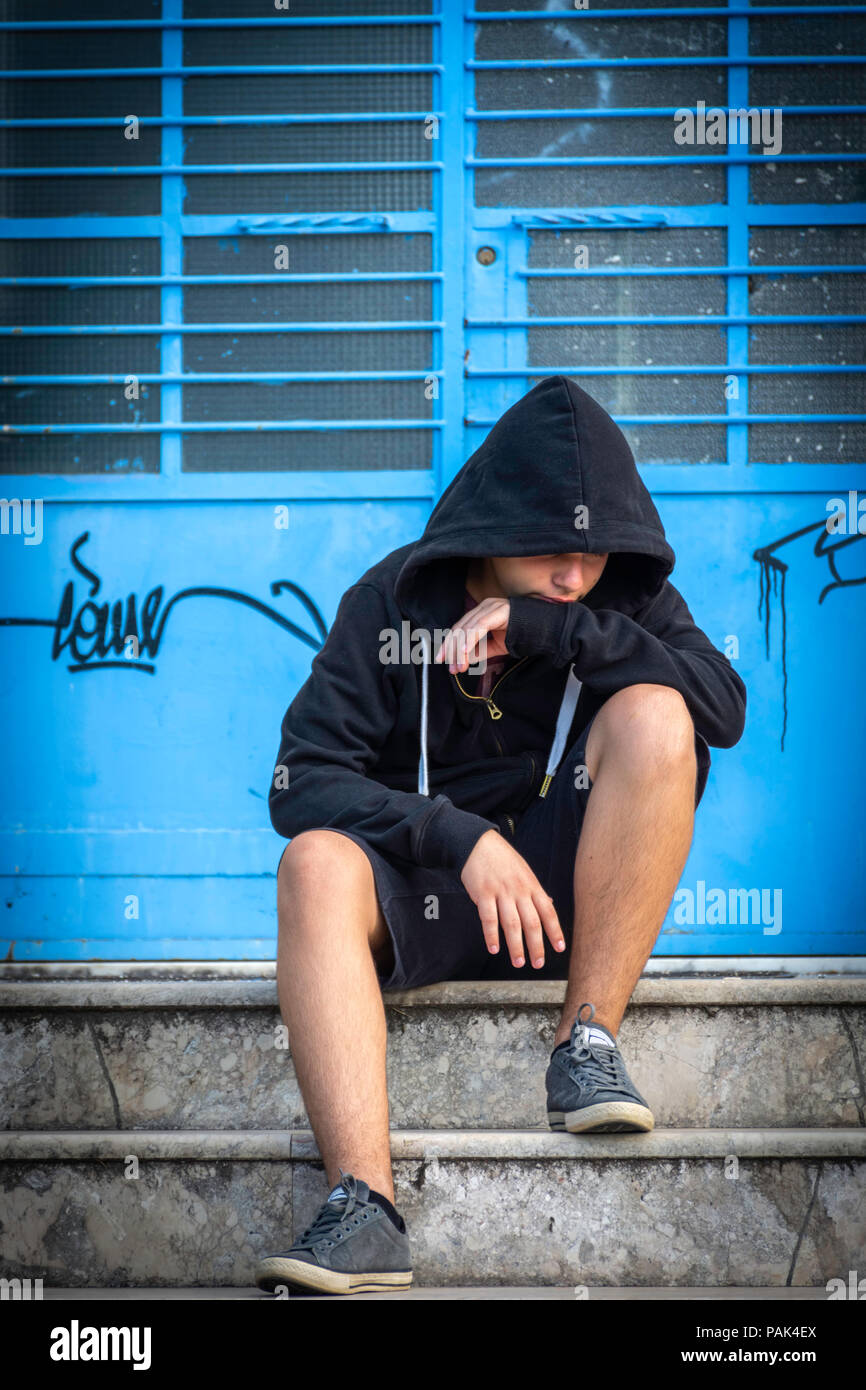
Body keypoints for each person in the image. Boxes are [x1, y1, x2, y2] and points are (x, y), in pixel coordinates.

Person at [255, 375, 747, 1296]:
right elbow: (301, 780)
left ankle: (587, 1045)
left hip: (569, 908)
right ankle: (363, 1209)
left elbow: (722, 708)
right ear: (495, 527)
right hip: (433, 899)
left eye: (594, 552)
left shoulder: (620, 597)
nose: (577, 572)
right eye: (553, 553)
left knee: (658, 714)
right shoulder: (392, 602)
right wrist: (456, 835)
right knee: (312, 860)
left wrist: (560, 630)